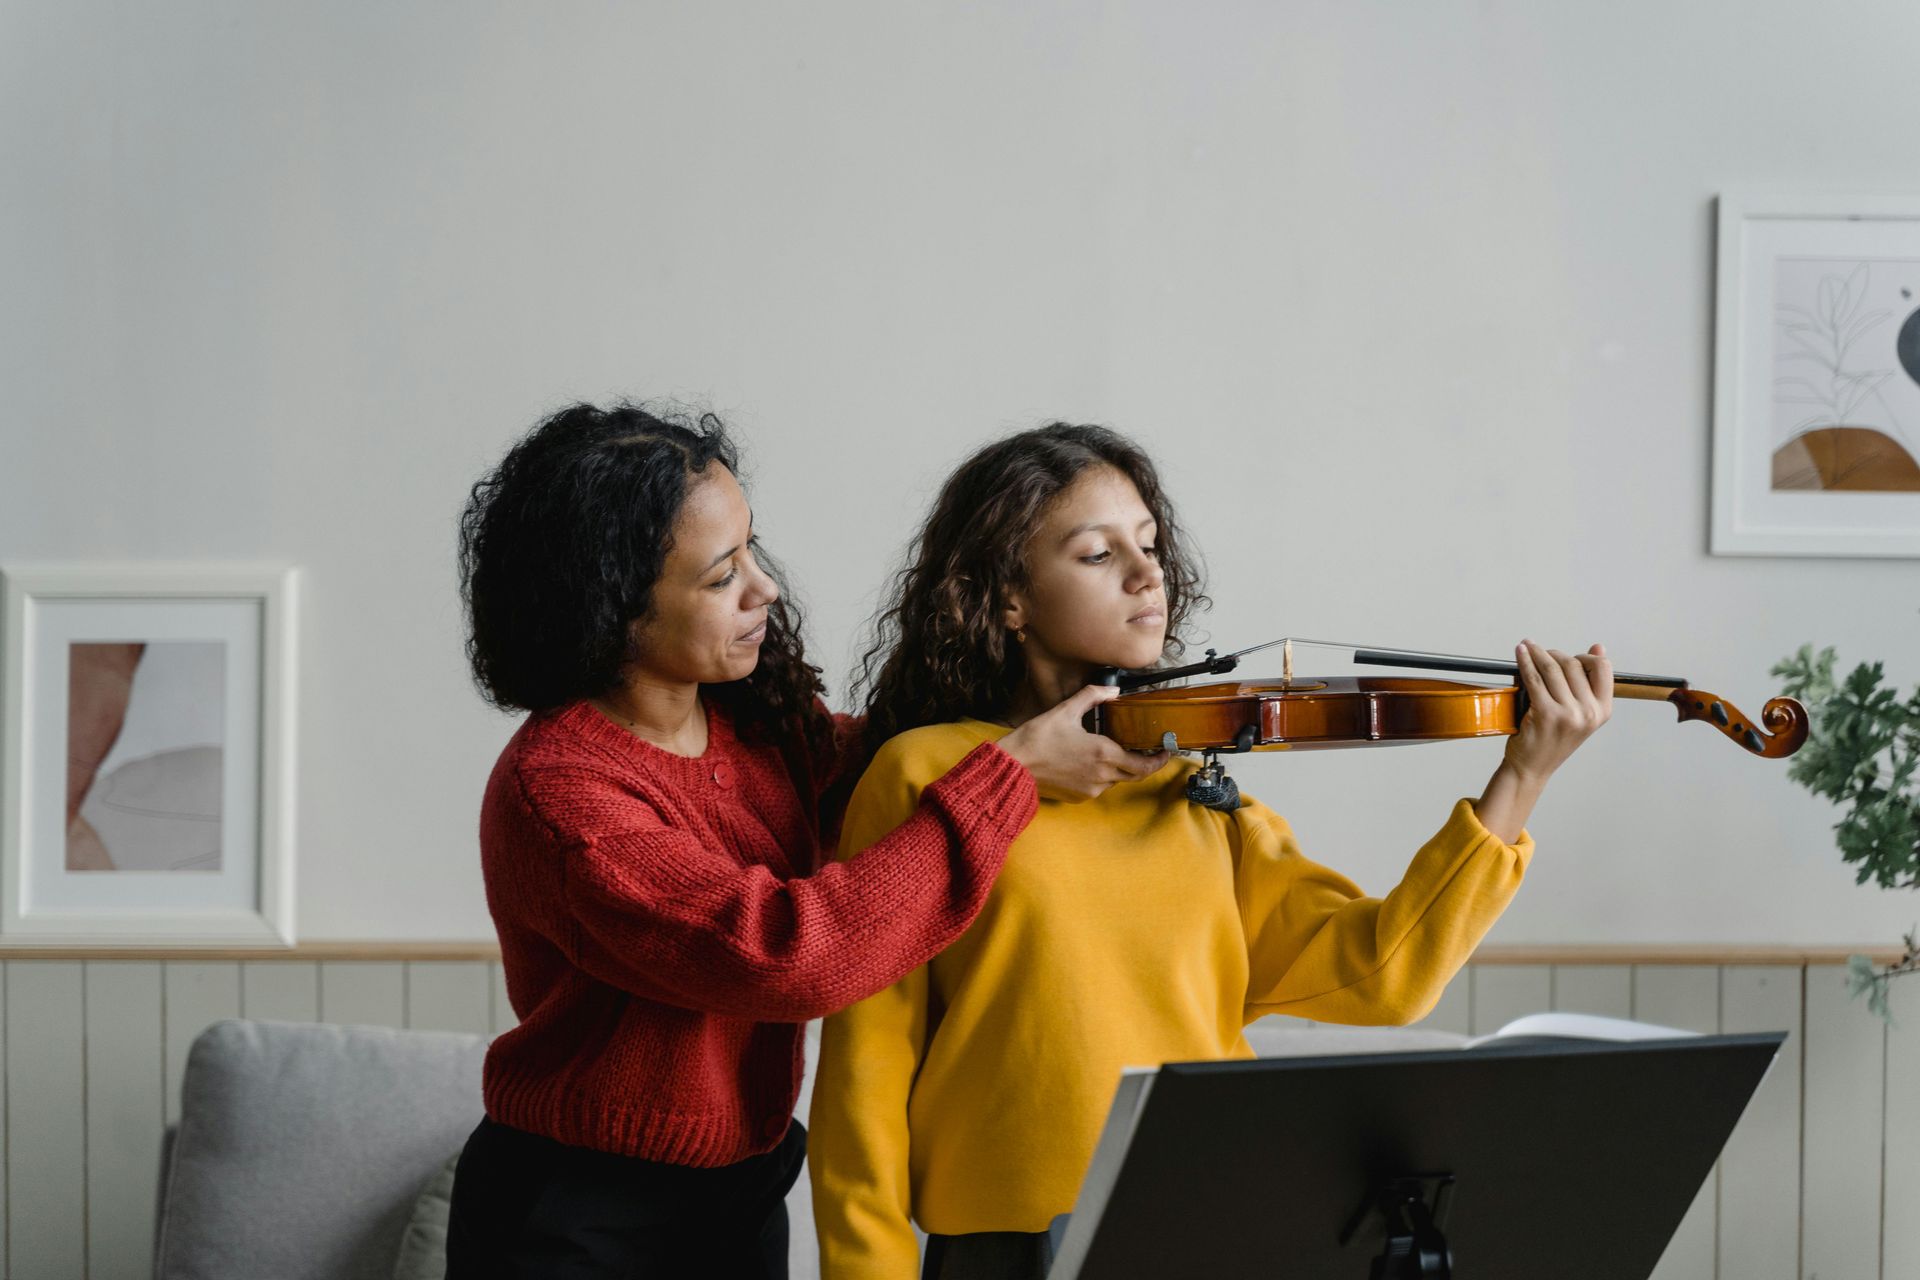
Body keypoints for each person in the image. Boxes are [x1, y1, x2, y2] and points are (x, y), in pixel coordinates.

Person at [808, 422, 1612, 1280]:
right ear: (1007, 597)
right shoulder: (928, 775)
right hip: (1012, 1248)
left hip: (1212, 1223)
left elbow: (1387, 975)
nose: (1147, 572)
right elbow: (865, 1075)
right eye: (1096, 554)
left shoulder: (1195, 787)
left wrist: (1522, 778)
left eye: (1149, 544)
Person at [444, 403, 1168, 1279]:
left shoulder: (755, 726)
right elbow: (783, 958)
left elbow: (898, 763)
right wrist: (1011, 773)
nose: (766, 590)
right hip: (580, 1217)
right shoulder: (560, 796)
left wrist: (1044, 688)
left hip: (741, 1192)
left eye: (753, 550)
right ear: (610, 610)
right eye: (721, 577)